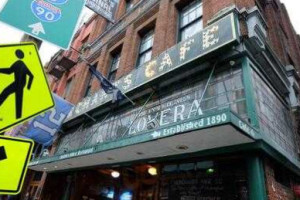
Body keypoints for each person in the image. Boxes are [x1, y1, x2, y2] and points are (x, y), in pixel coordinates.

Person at [0, 50, 34, 119]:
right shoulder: (18, 63)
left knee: (17, 99)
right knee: (6, 92)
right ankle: (18, 116)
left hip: (20, 84)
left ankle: (18, 116)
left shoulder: (21, 63)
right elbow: (9, 71)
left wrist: (28, 87)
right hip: (17, 83)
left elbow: (31, 75)